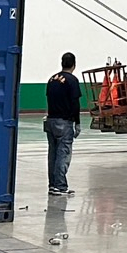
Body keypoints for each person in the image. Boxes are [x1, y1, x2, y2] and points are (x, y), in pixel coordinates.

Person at [44, 52, 81, 196]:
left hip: (50, 120)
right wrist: (77, 123)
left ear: (62, 63)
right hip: (64, 123)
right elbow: (75, 103)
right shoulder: (72, 80)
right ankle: (60, 186)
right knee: (63, 155)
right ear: (73, 65)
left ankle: (52, 185)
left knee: (52, 155)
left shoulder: (52, 79)